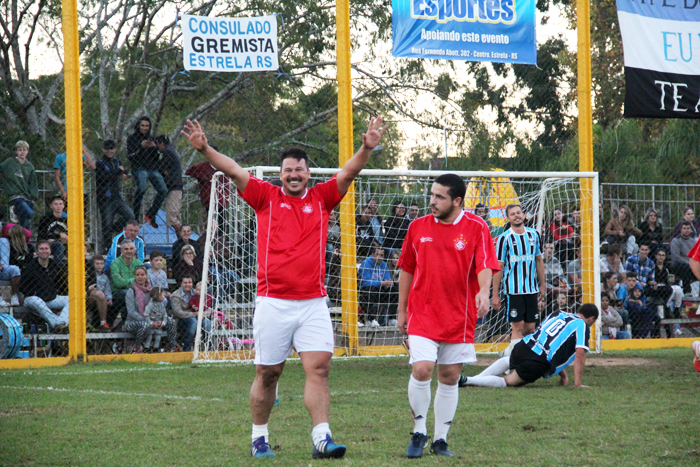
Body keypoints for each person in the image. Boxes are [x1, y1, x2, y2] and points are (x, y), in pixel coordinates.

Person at [181, 115, 385, 459]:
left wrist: (366, 147)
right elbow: (233, 169)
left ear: (308, 173)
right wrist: (205, 149)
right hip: (273, 303)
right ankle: (259, 437)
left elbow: (349, 172)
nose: (294, 175)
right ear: (281, 174)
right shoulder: (265, 197)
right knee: (268, 374)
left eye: (300, 170)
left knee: (319, 369)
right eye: (289, 170)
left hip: (313, 303)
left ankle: (322, 438)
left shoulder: (322, 198)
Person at [397, 173, 499, 458]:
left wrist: (483, 291)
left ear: (457, 200)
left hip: (459, 316)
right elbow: (406, 268)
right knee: (422, 369)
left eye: (440, 197)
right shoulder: (417, 227)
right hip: (423, 312)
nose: (432, 201)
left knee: (450, 376)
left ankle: (440, 440)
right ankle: (418, 432)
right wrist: (401, 309)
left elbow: (486, 264)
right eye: (432, 195)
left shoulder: (477, 227)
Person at [458, 304, 599, 388]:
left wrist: (563, 376)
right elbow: (580, 353)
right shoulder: (582, 325)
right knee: (509, 381)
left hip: (525, 344)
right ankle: (469, 380)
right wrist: (578, 383)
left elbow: (552, 341)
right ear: (591, 319)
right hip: (538, 360)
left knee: (508, 361)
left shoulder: (559, 313)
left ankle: (472, 379)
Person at [493, 204, 546, 357]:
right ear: (508, 218)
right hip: (513, 290)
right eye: (512, 214)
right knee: (518, 325)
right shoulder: (504, 239)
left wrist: (542, 284)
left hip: (532, 289)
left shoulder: (534, 235)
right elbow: (499, 266)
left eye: (518, 213)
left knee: (530, 328)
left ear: (523, 215)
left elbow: (538, 260)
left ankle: (508, 354)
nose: (516, 216)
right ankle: (514, 362)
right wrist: (495, 294)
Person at [126, 116, 167, 228]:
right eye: (143, 125)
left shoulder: (152, 139)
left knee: (163, 190)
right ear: (138, 126)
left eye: (147, 126)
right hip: (139, 168)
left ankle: (150, 214)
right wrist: (141, 147)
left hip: (152, 169)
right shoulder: (132, 138)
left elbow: (157, 158)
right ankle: (135, 215)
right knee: (142, 188)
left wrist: (155, 149)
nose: (145, 128)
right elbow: (130, 156)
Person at [20, 240, 69, 333]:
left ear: (50, 251)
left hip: (51, 298)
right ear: (37, 251)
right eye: (41, 249)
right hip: (32, 299)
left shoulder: (54, 265)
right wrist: (35, 293)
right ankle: (57, 324)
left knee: (73, 299)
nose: (44, 251)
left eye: (46, 248)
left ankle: (62, 322)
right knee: (37, 300)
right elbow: (23, 287)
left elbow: (62, 284)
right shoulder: (30, 266)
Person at [124, 267, 177, 353]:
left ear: (146, 276)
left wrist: (159, 320)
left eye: (142, 274)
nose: (140, 277)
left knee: (171, 321)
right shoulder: (131, 291)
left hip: (153, 319)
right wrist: (149, 322)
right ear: (134, 277)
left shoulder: (152, 291)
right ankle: (137, 349)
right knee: (144, 325)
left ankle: (173, 348)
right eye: (137, 275)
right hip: (134, 321)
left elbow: (159, 306)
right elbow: (131, 312)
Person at [94, 139, 134, 251]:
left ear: (115, 149)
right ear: (103, 149)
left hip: (116, 197)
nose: (109, 151)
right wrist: (117, 172)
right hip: (105, 198)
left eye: (111, 148)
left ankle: (114, 228)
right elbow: (102, 177)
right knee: (106, 223)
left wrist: (124, 173)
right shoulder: (100, 163)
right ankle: (107, 248)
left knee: (130, 216)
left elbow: (122, 171)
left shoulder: (116, 161)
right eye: (107, 149)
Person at [0, 140, 39, 228]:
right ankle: (13, 208)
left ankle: (23, 240)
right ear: (16, 151)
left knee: (25, 222)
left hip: (27, 197)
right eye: (20, 150)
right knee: (30, 213)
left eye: (24, 150)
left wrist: (33, 198)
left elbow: (33, 183)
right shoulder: (10, 162)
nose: (22, 152)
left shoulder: (30, 167)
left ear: (27, 151)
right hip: (15, 196)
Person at [109, 240, 145, 329]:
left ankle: (129, 324)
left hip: (136, 292)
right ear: (121, 251)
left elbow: (143, 281)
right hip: (118, 292)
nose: (129, 251)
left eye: (131, 249)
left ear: (134, 250)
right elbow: (118, 283)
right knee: (128, 293)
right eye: (126, 249)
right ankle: (128, 324)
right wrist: (134, 280)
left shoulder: (139, 263)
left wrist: (125, 281)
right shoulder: (115, 263)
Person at [170, 274, 211, 352]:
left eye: (190, 282)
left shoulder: (197, 292)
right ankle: (187, 349)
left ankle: (208, 348)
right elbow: (178, 313)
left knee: (207, 322)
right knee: (193, 322)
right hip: (181, 320)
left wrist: (203, 314)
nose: (188, 285)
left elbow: (208, 307)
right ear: (181, 284)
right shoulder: (175, 296)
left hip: (197, 317)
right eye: (185, 283)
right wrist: (195, 314)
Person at [154, 135, 184, 234]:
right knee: (176, 218)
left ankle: (186, 239)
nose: (157, 147)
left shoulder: (168, 152)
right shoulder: (171, 150)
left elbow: (161, 167)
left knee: (172, 219)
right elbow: (164, 169)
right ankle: (182, 243)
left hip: (174, 188)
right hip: (176, 187)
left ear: (161, 143)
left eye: (157, 144)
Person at [358, 246, 392, 327]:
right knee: (371, 289)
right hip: (366, 291)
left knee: (394, 289)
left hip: (380, 290)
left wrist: (389, 283)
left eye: (381, 255)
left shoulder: (384, 265)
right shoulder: (366, 263)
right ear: (372, 254)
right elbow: (365, 282)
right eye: (377, 254)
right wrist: (381, 283)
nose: (379, 257)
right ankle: (371, 319)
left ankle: (392, 319)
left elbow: (388, 278)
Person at [36, 195, 68, 263]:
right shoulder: (45, 219)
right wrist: (60, 237)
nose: (58, 206)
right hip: (50, 246)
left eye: (60, 204)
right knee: (59, 245)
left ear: (63, 206)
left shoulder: (68, 220)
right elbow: (42, 236)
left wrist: (55, 237)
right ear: (51, 206)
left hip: (67, 244)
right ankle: (58, 268)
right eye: (55, 204)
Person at [86, 254, 113, 331]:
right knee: (99, 294)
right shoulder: (90, 275)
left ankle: (104, 323)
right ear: (93, 264)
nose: (99, 266)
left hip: (102, 299)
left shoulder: (105, 277)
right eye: (97, 264)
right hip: (90, 297)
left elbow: (107, 289)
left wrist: (109, 298)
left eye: (101, 263)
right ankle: (102, 322)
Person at [671, 221, 698, 289]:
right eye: (684, 228)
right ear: (681, 230)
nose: (686, 230)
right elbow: (676, 257)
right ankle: (687, 290)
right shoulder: (676, 241)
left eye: (688, 228)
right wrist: (689, 263)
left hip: (691, 264)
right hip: (679, 265)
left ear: (691, 230)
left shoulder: (693, 241)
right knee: (686, 268)